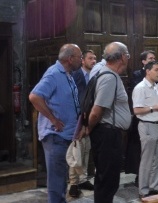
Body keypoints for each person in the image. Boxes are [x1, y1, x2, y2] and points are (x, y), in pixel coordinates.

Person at [29, 44, 82, 202]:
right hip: (55, 136)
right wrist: (53, 119)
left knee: (61, 179)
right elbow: (34, 97)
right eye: (79, 57)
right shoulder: (54, 74)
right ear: (70, 58)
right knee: (56, 181)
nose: (81, 60)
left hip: (65, 135)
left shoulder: (68, 74)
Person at [83, 42, 132, 203]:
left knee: (107, 179)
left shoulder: (109, 75)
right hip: (107, 135)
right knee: (107, 181)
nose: (128, 59)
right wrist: (87, 129)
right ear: (123, 57)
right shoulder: (109, 77)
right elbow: (97, 110)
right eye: (128, 55)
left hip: (109, 134)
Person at [132, 61, 158, 198]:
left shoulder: (155, 87)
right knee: (147, 159)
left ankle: (154, 187)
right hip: (148, 125)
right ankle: (144, 190)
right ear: (148, 71)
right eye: (156, 70)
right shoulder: (140, 88)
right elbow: (136, 110)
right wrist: (156, 107)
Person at [68, 50, 96, 197]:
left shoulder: (94, 76)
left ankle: (83, 179)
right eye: (90, 58)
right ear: (83, 61)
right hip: (78, 119)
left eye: (95, 58)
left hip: (89, 118)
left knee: (86, 150)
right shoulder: (76, 75)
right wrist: (82, 123)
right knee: (76, 152)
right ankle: (73, 183)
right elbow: (77, 99)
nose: (94, 61)